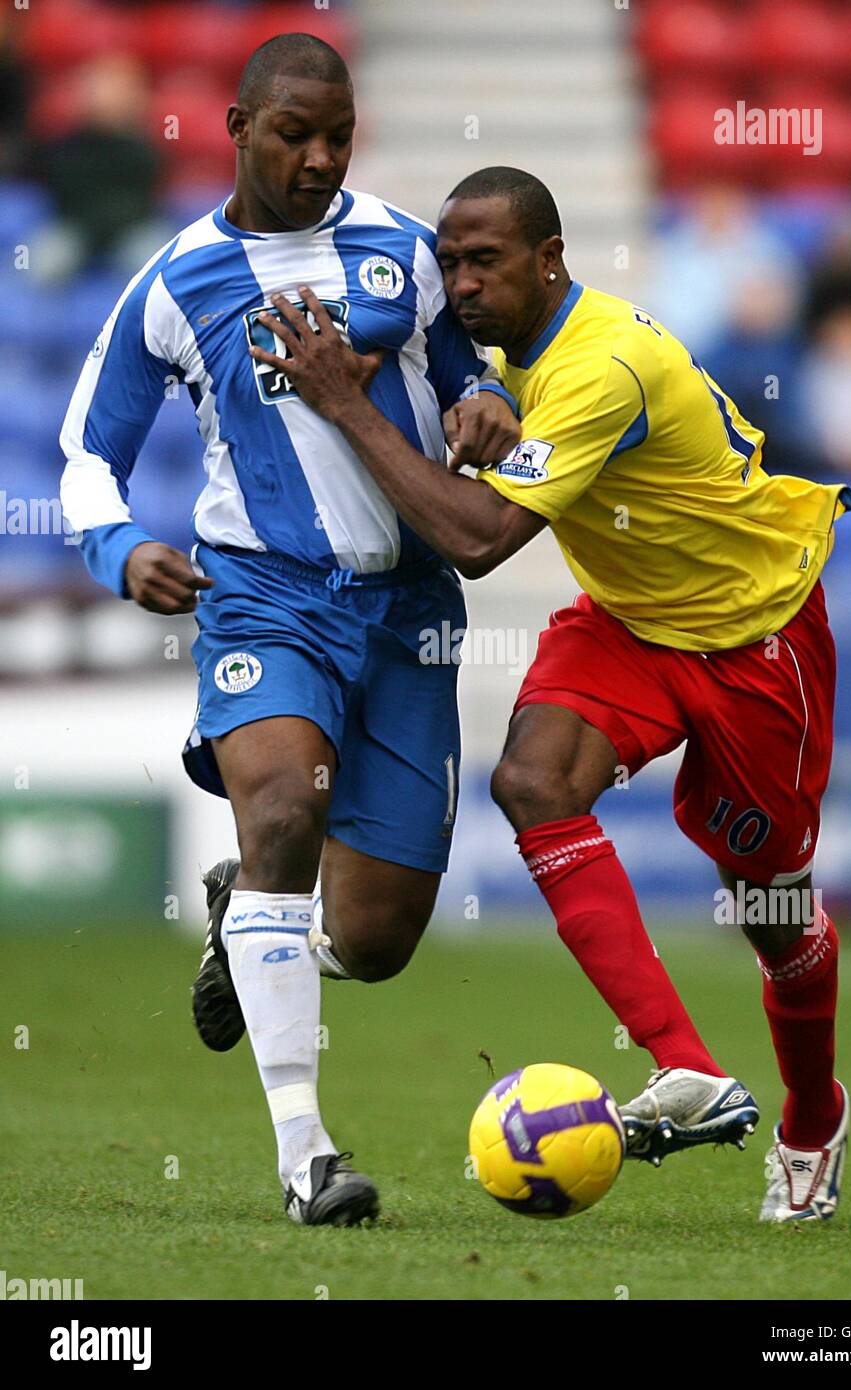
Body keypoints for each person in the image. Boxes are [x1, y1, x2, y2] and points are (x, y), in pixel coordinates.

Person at [260, 166, 851, 1225]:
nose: (462, 283)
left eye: (484, 261)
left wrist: (343, 399)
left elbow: (481, 539)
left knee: (766, 904)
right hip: (629, 621)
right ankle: (685, 1066)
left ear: (550, 260)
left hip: (753, 632)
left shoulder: (601, 368)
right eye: (449, 264)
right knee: (531, 780)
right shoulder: (504, 348)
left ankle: (812, 1115)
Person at [59, 41, 520, 1228]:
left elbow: (482, 370)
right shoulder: (178, 280)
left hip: (409, 611)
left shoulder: (408, 249)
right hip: (265, 596)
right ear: (237, 125)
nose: (318, 157)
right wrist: (119, 550)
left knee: (374, 941)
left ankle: (247, 919)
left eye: (338, 134)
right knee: (278, 815)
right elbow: (86, 457)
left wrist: (489, 401)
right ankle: (307, 1156)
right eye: (293, 134)